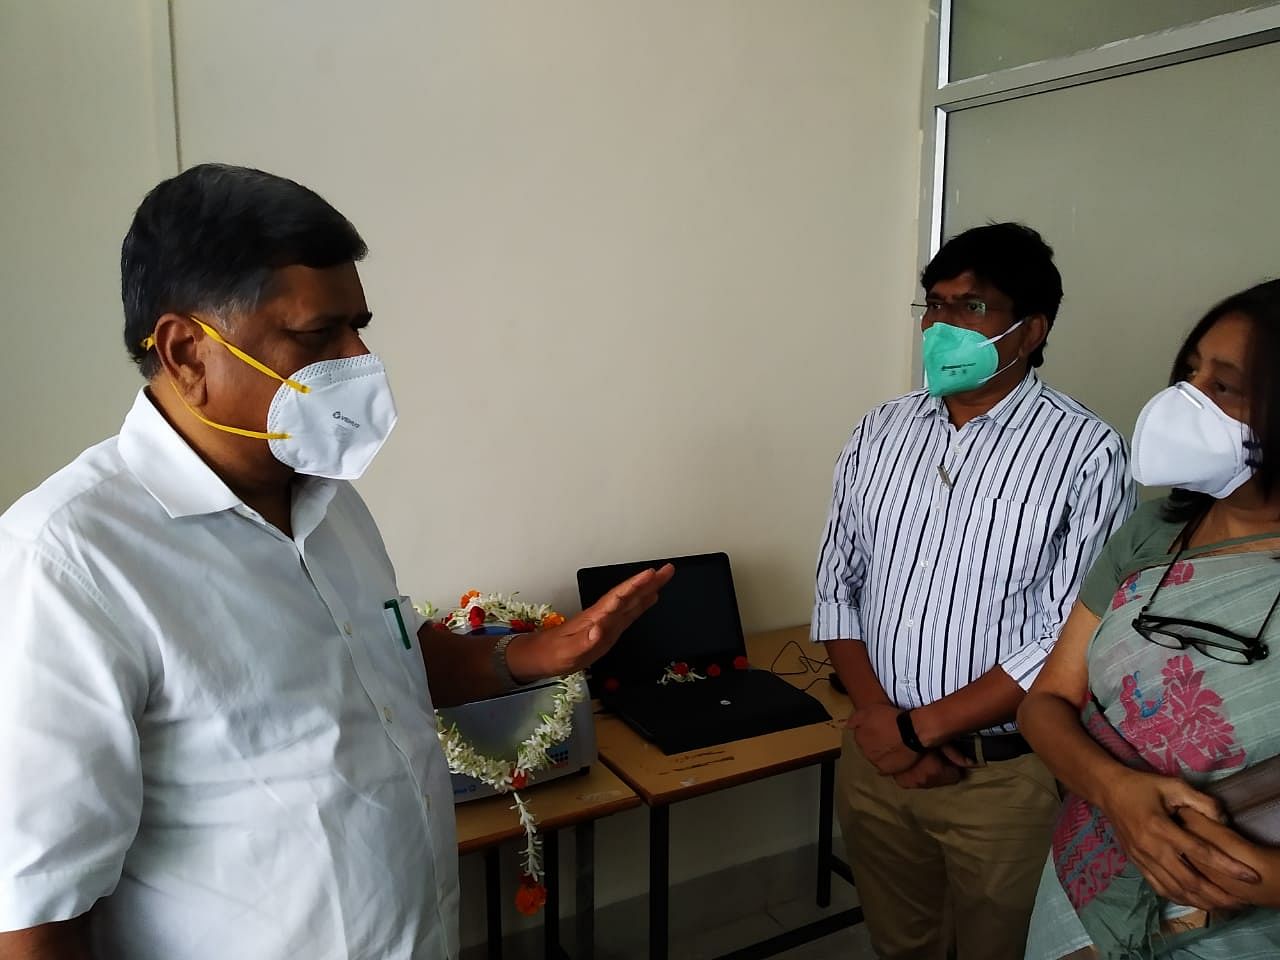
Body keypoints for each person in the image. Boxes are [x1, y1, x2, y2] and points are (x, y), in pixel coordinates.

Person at [0, 163, 673, 960]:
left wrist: (533, 656)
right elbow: (37, 911)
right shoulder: (70, 562)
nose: (357, 360)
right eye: (318, 337)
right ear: (186, 352)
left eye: (359, 327)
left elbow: (382, 660)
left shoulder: (326, 493)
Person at [812, 222, 1135, 960]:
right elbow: (838, 585)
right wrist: (881, 725)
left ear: (1030, 331)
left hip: (1003, 778)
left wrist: (920, 730)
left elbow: (1065, 637)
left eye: (973, 307)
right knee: (901, 943)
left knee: (999, 947)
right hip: (877, 759)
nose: (944, 325)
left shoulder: (1085, 452)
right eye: (935, 305)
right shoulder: (880, 431)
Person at [1020, 278, 1280, 959]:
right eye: (1190, 372)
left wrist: (1267, 880)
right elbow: (1047, 700)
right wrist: (1116, 792)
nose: (1182, 400)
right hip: (1087, 880)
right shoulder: (1155, 530)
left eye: (1224, 386)